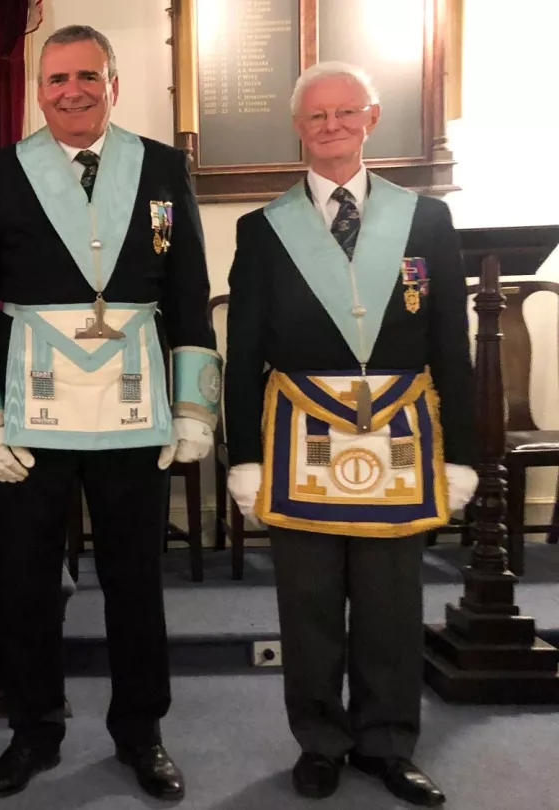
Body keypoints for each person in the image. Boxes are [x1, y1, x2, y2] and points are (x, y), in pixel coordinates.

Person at [0, 24, 219, 802]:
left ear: (114, 84)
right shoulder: (0, 172)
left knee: (137, 578)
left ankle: (142, 732)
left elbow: (189, 294)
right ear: (38, 89)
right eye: (57, 79)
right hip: (32, 412)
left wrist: (194, 407)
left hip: (135, 410)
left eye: (87, 78)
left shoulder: (163, 168)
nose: (72, 92)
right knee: (26, 579)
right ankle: (33, 732)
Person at [225, 62, 477, 807]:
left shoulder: (425, 220)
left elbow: (451, 349)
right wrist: (244, 458)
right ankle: (321, 740)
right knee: (306, 601)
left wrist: (460, 454)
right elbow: (244, 354)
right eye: (315, 117)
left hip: (399, 432)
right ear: (298, 130)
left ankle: (389, 742)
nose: (330, 127)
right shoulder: (263, 229)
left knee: (391, 600)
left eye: (344, 114)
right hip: (302, 436)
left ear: (370, 119)